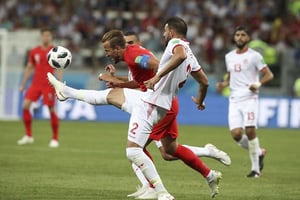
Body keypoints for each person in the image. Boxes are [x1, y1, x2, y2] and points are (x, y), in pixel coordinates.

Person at [47, 21, 223, 198]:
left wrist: (157, 77)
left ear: (170, 32)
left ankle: (162, 193)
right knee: (111, 95)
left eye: (108, 51)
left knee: (135, 151)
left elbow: (156, 63)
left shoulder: (163, 48)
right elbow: (205, 81)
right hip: (153, 99)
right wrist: (200, 99)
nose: (106, 54)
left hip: (152, 103)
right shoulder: (188, 52)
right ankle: (66, 91)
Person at [216, 26, 274, 178]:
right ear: (234, 38)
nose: (240, 37)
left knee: (249, 130)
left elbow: (268, 75)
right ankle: (260, 151)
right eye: (237, 35)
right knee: (236, 134)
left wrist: (259, 84)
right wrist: (223, 84)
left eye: (243, 35)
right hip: (234, 99)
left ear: (248, 38)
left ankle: (255, 170)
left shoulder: (255, 56)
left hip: (250, 97)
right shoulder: (229, 56)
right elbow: (230, 77)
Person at [18, 27, 63, 148]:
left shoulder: (54, 51)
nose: (46, 38)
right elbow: (29, 67)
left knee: (51, 109)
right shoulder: (34, 51)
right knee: (25, 106)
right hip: (35, 84)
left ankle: (55, 138)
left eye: (48, 35)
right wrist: (23, 84)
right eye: (44, 35)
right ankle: (28, 135)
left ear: (51, 37)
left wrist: (59, 84)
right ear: (41, 36)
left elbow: (58, 67)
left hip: (48, 85)